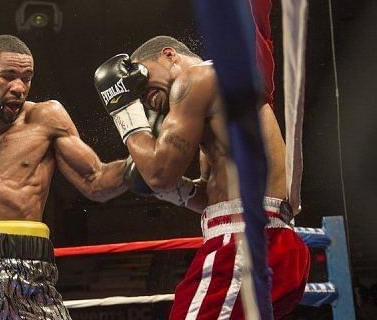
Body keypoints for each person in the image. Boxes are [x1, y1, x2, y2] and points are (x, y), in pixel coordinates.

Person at [93, 35, 310, 319]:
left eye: (142, 79)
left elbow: (159, 173)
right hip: (273, 240)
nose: (142, 95)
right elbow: (209, 196)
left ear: (169, 55)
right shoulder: (218, 101)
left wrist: (122, 106)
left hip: (244, 244)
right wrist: (173, 192)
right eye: (136, 93)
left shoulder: (196, 79)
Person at [0, 34, 130, 319]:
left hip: (30, 265)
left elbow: (96, 182)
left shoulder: (47, 118)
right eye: (8, 76)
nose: (19, 88)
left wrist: (144, 155)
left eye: (27, 78)